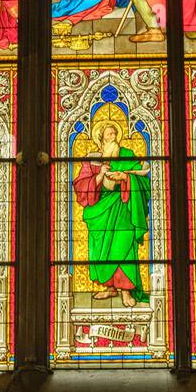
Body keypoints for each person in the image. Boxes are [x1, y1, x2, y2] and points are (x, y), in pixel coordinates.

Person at [72, 121, 151, 307]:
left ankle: (126, 291)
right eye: (109, 134)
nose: (113, 137)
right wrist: (99, 175)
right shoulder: (92, 159)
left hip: (123, 208)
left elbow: (145, 182)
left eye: (115, 133)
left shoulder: (127, 155)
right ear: (101, 139)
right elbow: (80, 185)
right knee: (102, 251)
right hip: (99, 212)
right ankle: (110, 287)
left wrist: (125, 178)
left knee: (123, 249)